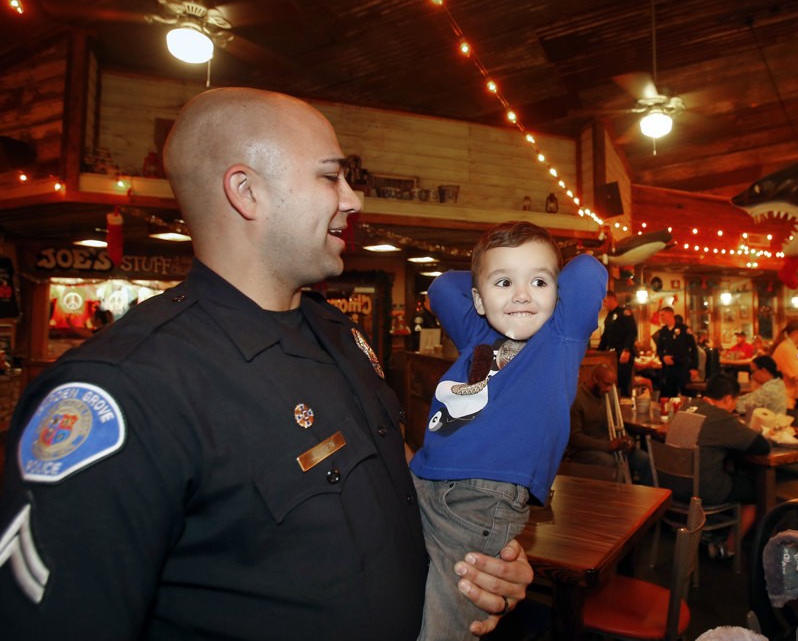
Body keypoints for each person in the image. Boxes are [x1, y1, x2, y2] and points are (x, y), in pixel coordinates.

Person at [0, 88, 532, 639]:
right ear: (246, 191)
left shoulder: (339, 333)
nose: (353, 200)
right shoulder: (126, 389)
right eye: (331, 177)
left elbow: (393, 485)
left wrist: (472, 560)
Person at [410, 220, 606, 640]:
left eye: (538, 281)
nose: (521, 294)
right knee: (407, 598)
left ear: (559, 292)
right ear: (478, 300)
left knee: (447, 623)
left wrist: (509, 280)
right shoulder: (478, 334)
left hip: (481, 500)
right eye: (505, 283)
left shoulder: (561, 336)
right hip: (423, 481)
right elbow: (444, 286)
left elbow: (588, 270)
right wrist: (489, 278)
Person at [665, 373, 769, 558]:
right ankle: (728, 548)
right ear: (729, 398)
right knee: (752, 491)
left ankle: (707, 532)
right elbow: (762, 446)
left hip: (671, 483)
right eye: (735, 401)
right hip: (698, 489)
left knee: (724, 472)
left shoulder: (688, 406)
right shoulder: (720, 418)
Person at [565, 363, 652, 484]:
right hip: (584, 451)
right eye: (606, 384)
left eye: (612, 385)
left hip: (610, 445)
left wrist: (627, 440)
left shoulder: (608, 395)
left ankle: (647, 498)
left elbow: (618, 423)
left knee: (643, 459)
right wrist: (607, 445)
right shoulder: (577, 399)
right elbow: (576, 438)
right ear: (594, 379)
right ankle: (614, 498)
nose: (610, 389)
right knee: (610, 462)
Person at [598, 290, 638, 398]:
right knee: (613, 384)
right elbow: (606, 337)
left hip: (623, 354)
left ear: (612, 299)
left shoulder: (624, 313)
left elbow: (632, 332)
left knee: (623, 384)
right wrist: (598, 352)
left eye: (605, 301)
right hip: (611, 355)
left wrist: (626, 349)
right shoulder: (609, 316)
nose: (604, 304)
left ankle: (625, 408)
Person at [653, 306, 699, 398]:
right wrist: (663, 357)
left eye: (663, 315)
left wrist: (694, 367)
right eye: (660, 316)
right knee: (668, 394)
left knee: (685, 394)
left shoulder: (684, 329)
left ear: (670, 315)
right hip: (668, 368)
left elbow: (694, 349)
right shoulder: (663, 331)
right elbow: (659, 350)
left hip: (682, 367)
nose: (661, 318)